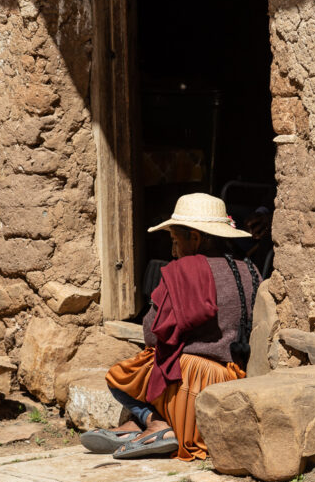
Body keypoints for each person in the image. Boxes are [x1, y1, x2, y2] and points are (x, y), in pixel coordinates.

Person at [80, 193, 262, 461]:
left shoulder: (183, 271)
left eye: (176, 241)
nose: (173, 251)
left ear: (195, 238)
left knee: (122, 375)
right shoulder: (250, 269)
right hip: (235, 381)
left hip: (191, 386)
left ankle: (155, 423)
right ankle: (136, 427)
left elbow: (151, 334)